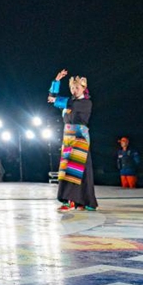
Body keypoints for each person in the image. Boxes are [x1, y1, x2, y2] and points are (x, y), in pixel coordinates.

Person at [47, 69, 98, 211]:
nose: (74, 90)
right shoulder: (68, 103)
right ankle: (70, 201)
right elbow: (52, 97)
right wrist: (56, 81)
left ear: (83, 88)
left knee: (79, 170)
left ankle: (84, 201)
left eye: (77, 88)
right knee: (66, 169)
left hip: (80, 139)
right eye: (72, 88)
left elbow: (69, 104)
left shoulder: (86, 103)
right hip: (68, 139)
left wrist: (56, 100)